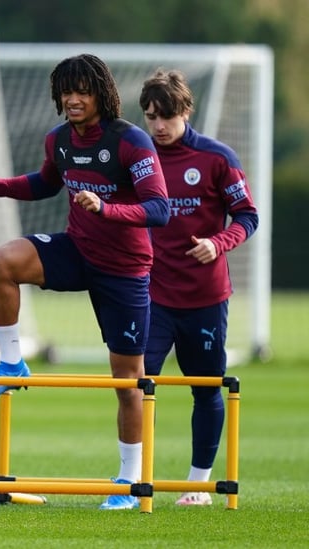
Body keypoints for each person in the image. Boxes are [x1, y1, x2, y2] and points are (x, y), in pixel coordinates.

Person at [0, 53, 170, 510]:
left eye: (82, 91)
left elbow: (159, 209)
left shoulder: (130, 142)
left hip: (125, 269)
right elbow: (45, 183)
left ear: (101, 94)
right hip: (77, 251)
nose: (73, 99)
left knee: (129, 381)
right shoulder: (59, 140)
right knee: (2, 262)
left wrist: (106, 209)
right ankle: (11, 364)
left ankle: (128, 484)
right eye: (66, 91)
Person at [138, 68, 258, 506]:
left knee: (205, 388)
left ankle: (197, 484)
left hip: (205, 299)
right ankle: (131, 480)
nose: (158, 126)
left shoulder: (217, 158)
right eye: (151, 116)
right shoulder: (139, 156)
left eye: (166, 116)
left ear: (185, 111)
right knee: (137, 384)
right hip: (151, 295)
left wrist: (217, 242)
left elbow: (248, 215)